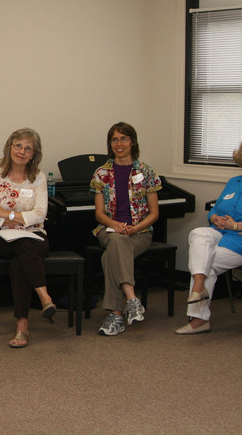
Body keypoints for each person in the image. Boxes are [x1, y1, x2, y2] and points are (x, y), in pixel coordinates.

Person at [0, 128, 54, 348]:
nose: (22, 152)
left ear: (33, 154)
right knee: (24, 244)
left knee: (20, 259)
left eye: (28, 148)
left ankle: (22, 327)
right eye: (18, 146)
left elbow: (41, 214)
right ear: (9, 147)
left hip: (35, 236)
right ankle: (44, 297)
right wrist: (19, 219)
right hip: (0, 237)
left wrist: (7, 214)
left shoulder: (38, 178)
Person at [91, 122, 160, 336]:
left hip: (140, 232)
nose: (119, 144)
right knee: (117, 240)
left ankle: (115, 315)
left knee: (110, 255)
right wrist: (115, 225)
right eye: (114, 139)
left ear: (132, 142)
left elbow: (154, 213)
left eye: (123, 139)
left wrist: (135, 228)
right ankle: (132, 299)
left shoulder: (146, 171)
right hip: (109, 230)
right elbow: (99, 214)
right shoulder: (101, 173)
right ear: (110, 144)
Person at [176, 137, 242, 335]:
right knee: (198, 233)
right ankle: (199, 287)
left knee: (205, 261)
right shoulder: (235, 182)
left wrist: (235, 225)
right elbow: (216, 208)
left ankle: (199, 319)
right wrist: (214, 217)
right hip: (220, 232)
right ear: (240, 158)